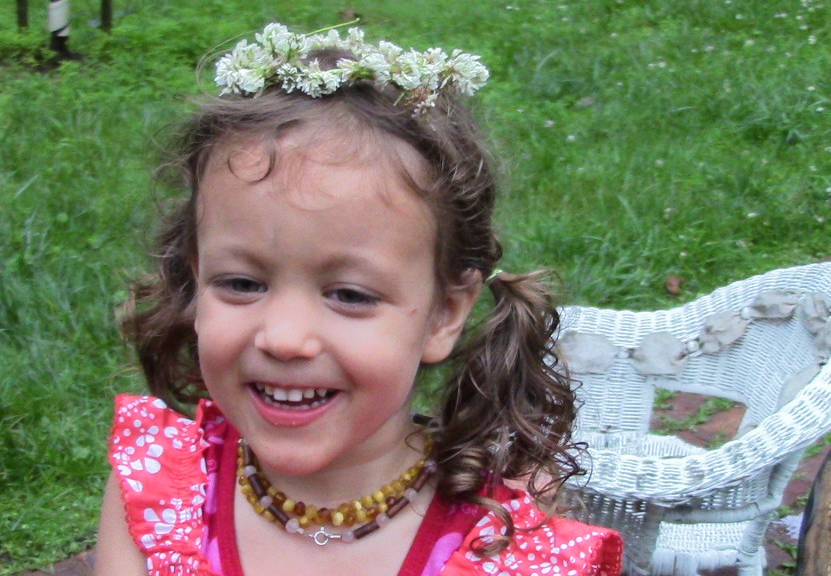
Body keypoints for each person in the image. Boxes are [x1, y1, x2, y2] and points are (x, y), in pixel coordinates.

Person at [94, 23, 623, 576]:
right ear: (197, 280)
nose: (284, 337)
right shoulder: (159, 496)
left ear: (445, 313)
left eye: (349, 294)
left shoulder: (502, 544)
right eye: (241, 284)